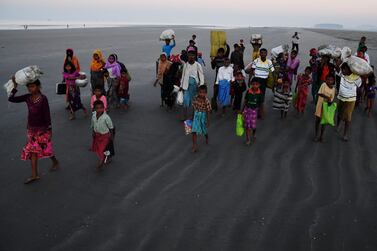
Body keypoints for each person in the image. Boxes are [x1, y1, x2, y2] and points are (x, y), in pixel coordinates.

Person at [8, 77, 59, 184]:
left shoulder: (43, 99)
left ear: (38, 86)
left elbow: (47, 115)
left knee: (46, 149)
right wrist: (14, 87)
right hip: (31, 129)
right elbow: (11, 99)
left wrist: (49, 130)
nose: (30, 89)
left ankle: (55, 161)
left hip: (42, 130)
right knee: (33, 151)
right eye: (29, 87)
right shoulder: (27, 97)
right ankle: (35, 175)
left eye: (32, 86)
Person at [246, 48, 275, 119]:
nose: (263, 54)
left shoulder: (269, 62)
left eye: (264, 53)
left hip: (264, 81)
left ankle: (260, 112)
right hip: (256, 80)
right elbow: (251, 70)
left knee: (261, 97)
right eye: (261, 53)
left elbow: (273, 72)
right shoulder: (256, 61)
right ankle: (252, 111)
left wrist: (274, 82)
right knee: (253, 95)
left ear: (266, 54)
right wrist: (249, 80)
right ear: (260, 54)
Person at [336, 63, 362, 141]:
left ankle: (345, 134)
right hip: (341, 97)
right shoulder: (342, 74)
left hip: (351, 99)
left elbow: (359, 86)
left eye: (345, 69)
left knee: (348, 116)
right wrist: (339, 62)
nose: (343, 70)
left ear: (350, 70)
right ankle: (338, 125)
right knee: (339, 112)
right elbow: (337, 69)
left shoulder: (356, 77)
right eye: (343, 69)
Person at [180, 50, 205, 120]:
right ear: (188, 56)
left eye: (192, 55)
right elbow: (183, 75)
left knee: (194, 101)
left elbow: (201, 76)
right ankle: (184, 116)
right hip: (186, 86)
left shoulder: (198, 65)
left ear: (195, 56)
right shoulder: (186, 65)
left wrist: (201, 86)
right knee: (185, 100)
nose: (191, 57)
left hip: (195, 86)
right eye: (189, 55)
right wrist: (181, 86)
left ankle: (194, 116)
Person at [91, 100, 114, 169]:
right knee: (103, 149)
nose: (99, 110)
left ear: (104, 107)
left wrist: (112, 136)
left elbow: (111, 127)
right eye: (97, 108)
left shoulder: (106, 117)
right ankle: (108, 156)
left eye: (101, 108)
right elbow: (93, 124)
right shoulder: (94, 116)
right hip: (97, 136)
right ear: (94, 109)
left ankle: (101, 162)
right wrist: (93, 132)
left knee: (101, 149)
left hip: (105, 136)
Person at [314, 75, 336, 142]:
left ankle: (321, 136)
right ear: (325, 80)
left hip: (326, 107)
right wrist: (327, 97)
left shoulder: (333, 89)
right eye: (328, 80)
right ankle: (316, 135)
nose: (329, 81)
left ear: (333, 81)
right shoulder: (323, 85)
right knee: (317, 121)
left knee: (324, 122)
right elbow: (319, 93)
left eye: (331, 80)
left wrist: (330, 101)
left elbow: (332, 99)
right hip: (320, 105)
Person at [191, 85, 212, 153]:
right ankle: (194, 146)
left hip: (203, 116)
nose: (201, 94)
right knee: (194, 131)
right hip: (196, 115)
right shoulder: (195, 98)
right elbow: (193, 108)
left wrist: (208, 121)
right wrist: (192, 117)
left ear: (206, 93)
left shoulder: (207, 101)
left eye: (203, 93)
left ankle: (206, 137)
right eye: (200, 92)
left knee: (204, 130)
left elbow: (208, 111)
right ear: (198, 92)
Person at [243, 80, 263, 145]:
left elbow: (261, 104)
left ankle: (254, 132)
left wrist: (261, 112)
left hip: (254, 111)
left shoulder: (260, 93)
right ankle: (248, 139)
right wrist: (242, 110)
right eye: (253, 84)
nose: (254, 86)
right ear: (251, 84)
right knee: (247, 126)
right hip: (247, 110)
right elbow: (245, 101)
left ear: (259, 85)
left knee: (253, 126)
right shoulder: (248, 91)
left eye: (256, 84)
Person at [211, 45, 230, 110]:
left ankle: (224, 107)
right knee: (215, 91)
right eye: (219, 53)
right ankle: (214, 104)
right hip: (218, 77)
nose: (220, 54)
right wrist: (212, 61)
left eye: (222, 53)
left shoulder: (225, 57)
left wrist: (226, 45)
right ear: (217, 53)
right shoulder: (216, 58)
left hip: (225, 78)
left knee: (224, 91)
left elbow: (228, 51)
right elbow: (213, 67)